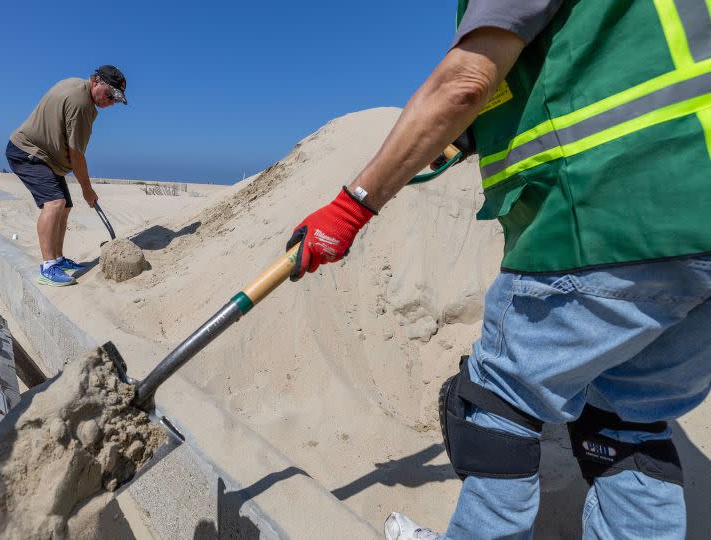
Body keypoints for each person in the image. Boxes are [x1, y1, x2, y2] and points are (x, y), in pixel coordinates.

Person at [287, 1, 711, 538]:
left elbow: (465, 80)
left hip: (612, 212)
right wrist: (475, 133)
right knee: (629, 424)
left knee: (497, 403)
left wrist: (351, 209)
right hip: (700, 235)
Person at [6, 65, 128, 286]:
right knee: (54, 202)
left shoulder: (74, 83)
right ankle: (48, 267)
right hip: (28, 152)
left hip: (45, 157)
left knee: (66, 206)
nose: (110, 102)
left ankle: (58, 259)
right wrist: (87, 189)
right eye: (110, 95)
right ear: (96, 81)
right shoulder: (83, 106)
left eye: (116, 100)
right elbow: (76, 155)